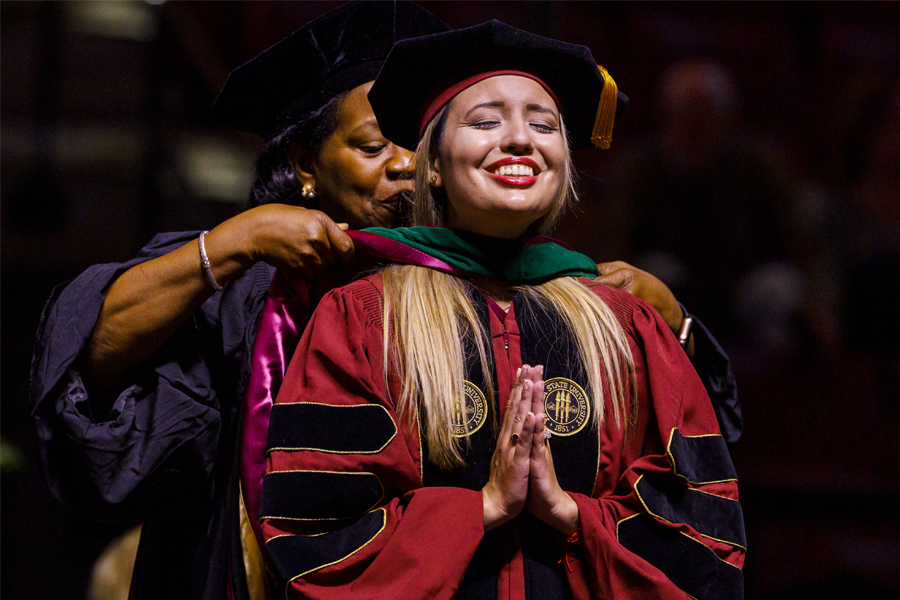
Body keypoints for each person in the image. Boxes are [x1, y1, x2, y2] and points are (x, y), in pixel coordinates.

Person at [29, 3, 736, 598]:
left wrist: (676, 325)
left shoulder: (537, 294)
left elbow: (682, 482)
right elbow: (94, 371)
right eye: (372, 146)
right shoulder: (258, 289)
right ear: (305, 165)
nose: (401, 164)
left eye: (416, 142)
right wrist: (228, 248)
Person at [260, 19, 745, 600]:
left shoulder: (623, 323)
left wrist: (568, 514)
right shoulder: (365, 317)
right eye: (485, 121)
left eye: (543, 125)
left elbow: (706, 540)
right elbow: (315, 535)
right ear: (431, 164)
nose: (520, 140)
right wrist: (482, 509)